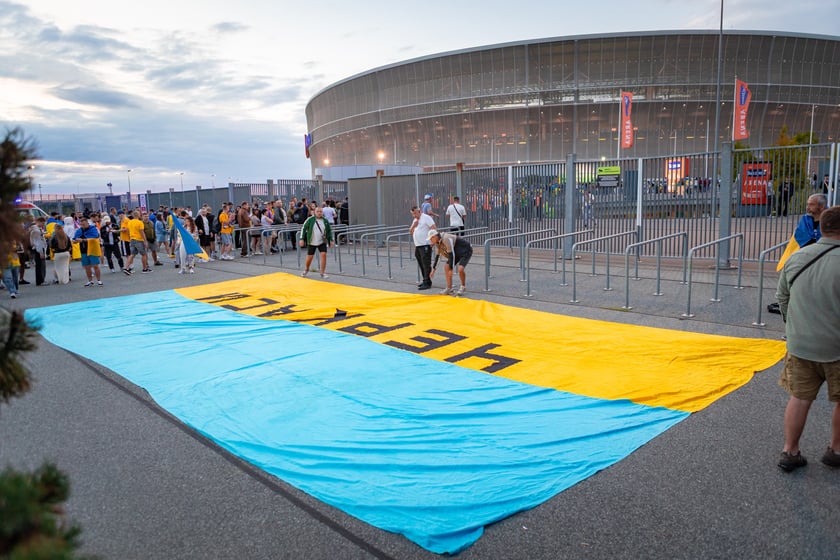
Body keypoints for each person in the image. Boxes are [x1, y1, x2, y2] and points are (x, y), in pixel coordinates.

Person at [775, 205, 840, 471]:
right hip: (837, 346)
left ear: (821, 228)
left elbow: (782, 298)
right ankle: (836, 450)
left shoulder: (797, 258)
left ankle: (790, 452)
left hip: (800, 344)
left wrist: (794, 326)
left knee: (799, 398)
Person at [428, 229, 473, 296]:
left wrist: (451, 269)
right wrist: (433, 270)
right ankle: (449, 288)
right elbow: (438, 256)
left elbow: (451, 254)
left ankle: (463, 287)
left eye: (431, 239)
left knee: (460, 269)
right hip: (455, 252)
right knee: (446, 267)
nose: (430, 241)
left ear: (435, 237)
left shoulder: (446, 238)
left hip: (465, 250)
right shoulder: (437, 243)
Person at [299, 206, 334, 278]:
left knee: (323, 255)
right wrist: (302, 238)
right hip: (312, 241)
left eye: (320, 211)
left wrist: (331, 240)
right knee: (310, 257)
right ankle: (306, 269)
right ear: (314, 212)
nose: (319, 213)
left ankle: (322, 272)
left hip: (322, 241)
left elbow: (329, 231)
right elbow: (303, 228)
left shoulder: (325, 221)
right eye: (317, 211)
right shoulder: (310, 220)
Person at [409, 205, 435, 290]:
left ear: (419, 211)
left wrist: (433, 241)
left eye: (415, 213)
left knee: (426, 263)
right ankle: (425, 279)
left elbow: (433, 228)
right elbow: (410, 231)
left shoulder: (426, 218)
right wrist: (414, 226)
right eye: (412, 214)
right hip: (418, 245)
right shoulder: (415, 220)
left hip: (425, 244)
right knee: (421, 263)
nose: (414, 215)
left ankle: (427, 282)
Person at [72, 216, 103, 286]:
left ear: (87, 223)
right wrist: (75, 241)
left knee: (95, 265)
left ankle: (99, 280)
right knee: (87, 266)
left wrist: (83, 240)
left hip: (92, 249)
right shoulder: (79, 230)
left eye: (84, 224)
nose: (83, 226)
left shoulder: (93, 228)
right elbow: (74, 238)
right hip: (83, 250)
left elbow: (95, 237)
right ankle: (90, 281)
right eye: (81, 225)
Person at [28, 216, 47, 286]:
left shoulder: (37, 229)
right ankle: (40, 280)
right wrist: (40, 252)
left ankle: (41, 280)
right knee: (40, 265)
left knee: (40, 265)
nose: (43, 224)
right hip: (39, 249)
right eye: (42, 223)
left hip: (38, 248)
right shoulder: (36, 230)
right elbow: (38, 242)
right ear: (39, 222)